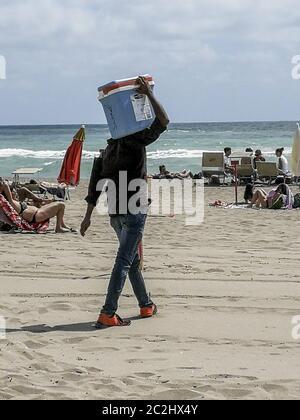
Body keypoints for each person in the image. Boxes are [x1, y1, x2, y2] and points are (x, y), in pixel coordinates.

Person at [80, 76, 170, 328]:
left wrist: (87, 217)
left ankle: (146, 305)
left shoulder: (106, 152)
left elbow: (94, 186)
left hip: (115, 214)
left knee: (131, 260)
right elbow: (164, 121)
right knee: (124, 261)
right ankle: (108, 312)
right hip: (135, 209)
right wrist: (149, 94)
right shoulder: (135, 140)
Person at [0, 178, 70, 233]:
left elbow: (22, 191)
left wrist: (37, 203)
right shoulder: (11, 202)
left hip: (37, 212)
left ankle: (62, 225)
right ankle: (58, 228)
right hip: (36, 216)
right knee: (61, 204)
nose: (15, 191)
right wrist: (4, 183)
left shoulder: (15, 202)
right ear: (9, 193)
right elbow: (5, 186)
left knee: (57, 204)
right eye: (13, 191)